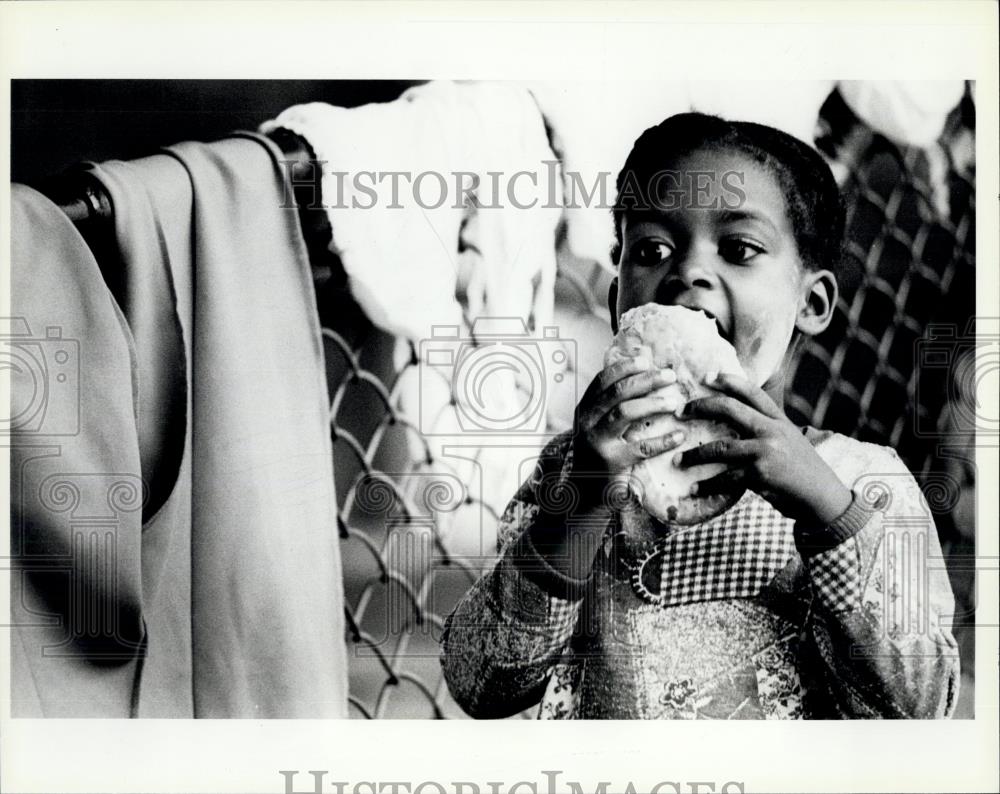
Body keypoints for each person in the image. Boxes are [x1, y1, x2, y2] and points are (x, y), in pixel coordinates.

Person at [439, 113, 960, 719]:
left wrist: (828, 511)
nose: (686, 271)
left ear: (811, 302)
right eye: (652, 249)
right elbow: (483, 682)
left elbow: (920, 708)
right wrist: (580, 501)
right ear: (617, 300)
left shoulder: (863, 481)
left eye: (739, 249)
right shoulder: (573, 471)